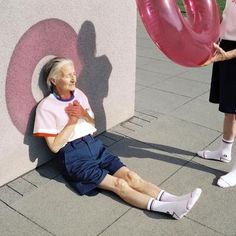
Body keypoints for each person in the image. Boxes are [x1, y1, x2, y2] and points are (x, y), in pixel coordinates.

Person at [33, 56, 202, 219]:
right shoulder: (46, 107)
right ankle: (169, 209)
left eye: (74, 73)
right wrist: (72, 122)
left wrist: (83, 114)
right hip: (74, 157)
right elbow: (54, 147)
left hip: (94, 145)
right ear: (53, 80)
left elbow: (92, 123)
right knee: (119, 184)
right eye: (67, 75)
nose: (73, 78)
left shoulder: (79, 94)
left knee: (131, 177)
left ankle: (175, 200)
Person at [197, 0, 236, 188]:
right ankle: (224, 151)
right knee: (230, 109)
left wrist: (228, 55)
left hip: (233, 53)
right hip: (225, 46)